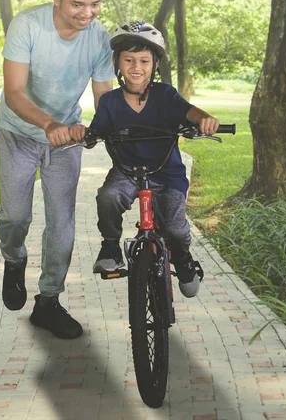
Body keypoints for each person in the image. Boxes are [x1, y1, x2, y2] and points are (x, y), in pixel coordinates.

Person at [0, 0, 114, 338]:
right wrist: (48, 124)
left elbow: (105, 99)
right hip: (18, 133)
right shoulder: (28, 25)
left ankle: (48, 302)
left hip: (65, 142)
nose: (87, 13)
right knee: (15, 217)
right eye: (77, 4)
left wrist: (103, 128)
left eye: (95, 4)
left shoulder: (99, 38)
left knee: (61, 226)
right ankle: (14, 260)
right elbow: (14, 93)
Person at [83, 21, 219, 297]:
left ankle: (181, 258)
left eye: (144, 60)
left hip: (166, 173)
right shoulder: (110, 101)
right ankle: (110, 245)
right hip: (126, 171)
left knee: (175, 229)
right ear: (117, 63)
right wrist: (87, 134)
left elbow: (189, 111)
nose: (136, 67)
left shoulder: (165, 95)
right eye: (129, 59)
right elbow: (98, 128)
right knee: (108, 197)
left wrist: (203, 119)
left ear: (155, 64)